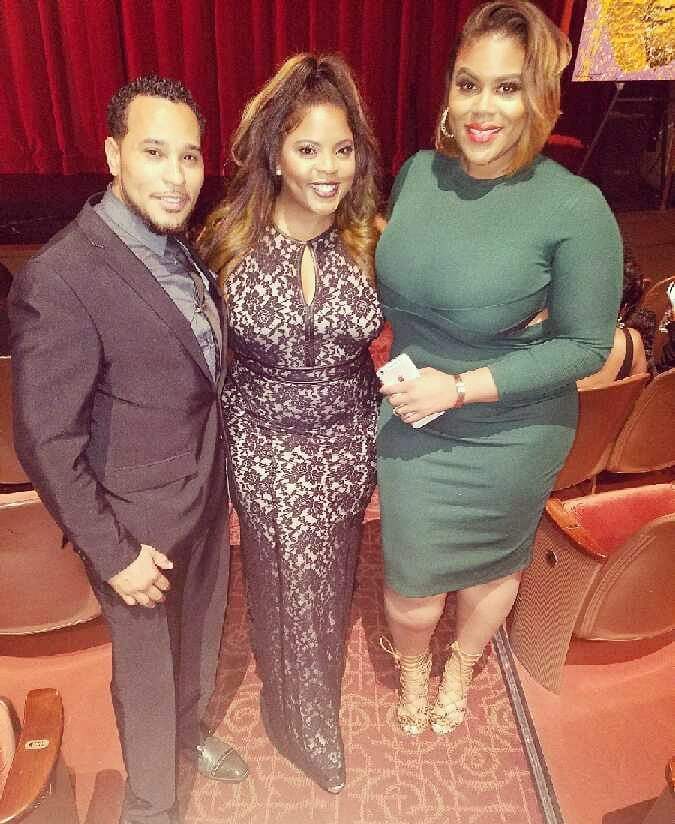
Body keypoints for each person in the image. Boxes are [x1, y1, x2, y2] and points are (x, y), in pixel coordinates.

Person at [375, 1, 622, 737]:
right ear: (449, 91)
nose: (482, 108)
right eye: (468, 83)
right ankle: (413, 665)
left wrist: (458, 388)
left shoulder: (575, 207)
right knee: (411, 583)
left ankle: (460, 664)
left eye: (507, 88)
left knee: (490, 568)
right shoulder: (417, 173)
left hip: (511, 428)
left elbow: (586, 346)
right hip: (413, 415)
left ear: (538, 97)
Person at [9, 76, 248, 824]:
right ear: (114, 155)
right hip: (132, 525)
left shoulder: (179, 248)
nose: (177, 177)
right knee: (146, 671)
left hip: (202, 491)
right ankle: (151, 803)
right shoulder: (62, 277)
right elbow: (46, 440)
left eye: (190, 156)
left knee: (200, 634)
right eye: (154, 152)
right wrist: (113, 554)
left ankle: (190, 735)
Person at [199, 54, 382, 792]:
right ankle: (298, 718)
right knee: (281, 584)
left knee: (331, 582)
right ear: (275, 154)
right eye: (308, 149)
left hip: (348, 442)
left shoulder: (370, 238)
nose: (328, 168)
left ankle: (308, 704)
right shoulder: (227, 241)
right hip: (264, 442)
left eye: (342, 149)